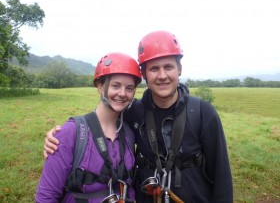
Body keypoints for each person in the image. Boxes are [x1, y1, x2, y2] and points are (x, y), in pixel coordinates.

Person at [43, 30, 233, 203]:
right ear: (144, 74)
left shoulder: (202, 112)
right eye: (154, 69)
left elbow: (222, 174)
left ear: (179, 69)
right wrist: (60, 136)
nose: (162, 75)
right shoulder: (133, 111)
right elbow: (100, 120)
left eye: (169, 67)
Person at [35, 52, 142, 203]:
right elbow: (46, 197)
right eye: (115, 86)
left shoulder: (129, 133)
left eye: (129, 88)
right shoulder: (71, 133)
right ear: (99, 86)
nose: (122, 93)